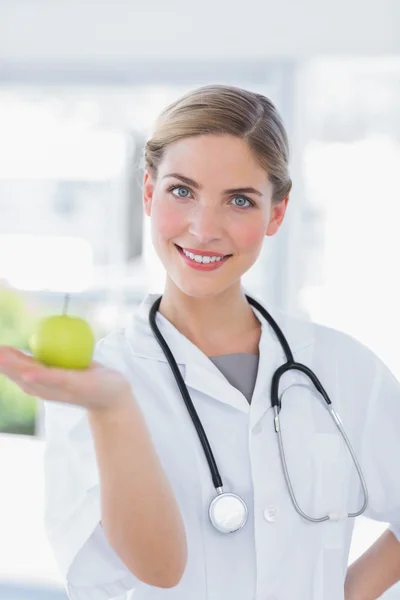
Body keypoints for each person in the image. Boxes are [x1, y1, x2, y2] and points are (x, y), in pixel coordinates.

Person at [1, 84, 400, 600]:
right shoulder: (92, 385)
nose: (203, 228)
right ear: (148, 192)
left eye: (239, 200)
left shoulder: (343, 367)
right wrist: (114, 407)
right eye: (182, 191)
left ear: (276, 214)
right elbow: (158, 569)